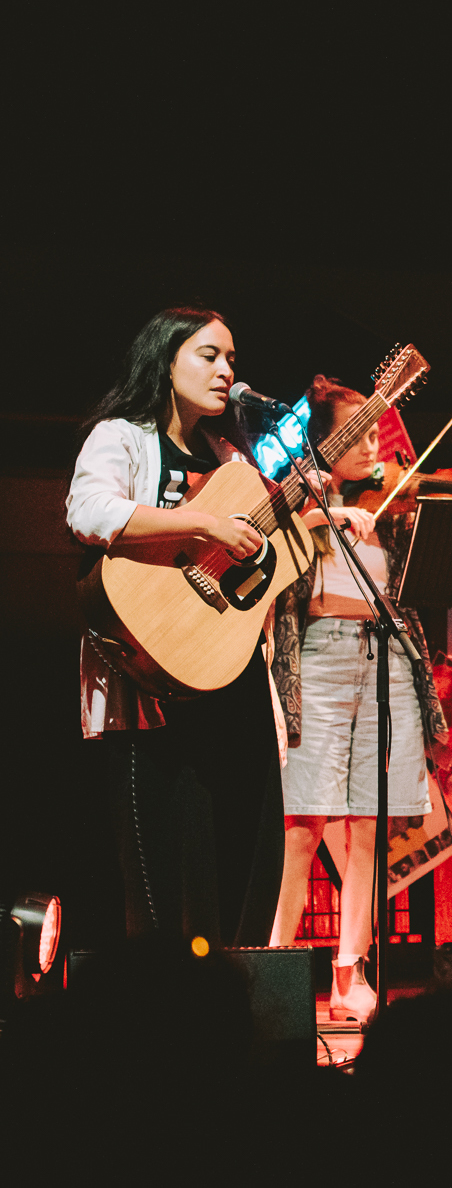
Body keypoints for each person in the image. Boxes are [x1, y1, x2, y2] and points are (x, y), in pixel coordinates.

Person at [66, 307, 285, 946]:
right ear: (166, 362)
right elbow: (89, 510)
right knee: (162, 861)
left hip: (224, 666)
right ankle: (167, 1009)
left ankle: (237, 981)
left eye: (233, 359)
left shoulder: (228, 455)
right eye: (209, 356)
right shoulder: (122, 435)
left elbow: (251, 566)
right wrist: (204, 525)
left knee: (245, 839)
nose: (226, 371)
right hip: (146, 664)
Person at [265, 375, 449, 1021]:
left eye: (377, 431)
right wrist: (326, 513)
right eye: (359, 433)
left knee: (368, 827)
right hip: (318, 659)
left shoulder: (390, 507)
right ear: (325, 441)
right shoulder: (295, 499)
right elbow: (267, 538)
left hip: (386, 661)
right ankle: (276, 960)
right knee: (304, 825)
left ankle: (350, 973)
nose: (374, 444)